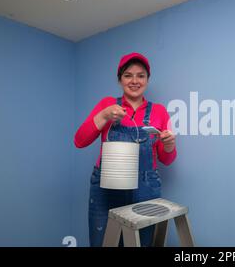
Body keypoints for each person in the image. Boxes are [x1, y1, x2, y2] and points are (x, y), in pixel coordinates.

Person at [74, 52, 176, 247]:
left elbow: (167, 159)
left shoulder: (159, 111)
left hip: (145, 187)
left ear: (147, 79)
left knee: (142, 243)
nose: (135, 80)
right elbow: (79, 141)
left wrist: (169, 145)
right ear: (119, 79)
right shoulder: (107, 105)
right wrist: (104, 116)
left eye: (141, 75)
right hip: (106, 186)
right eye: (128, 75)